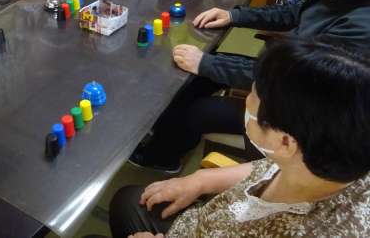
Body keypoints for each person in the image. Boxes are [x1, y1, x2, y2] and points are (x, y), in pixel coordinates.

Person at [134, 0, 370, 172]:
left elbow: (294, 80)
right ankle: (163, 138)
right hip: (282, 72)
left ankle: (162, 159)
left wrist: (206, 63)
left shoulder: (361, 27)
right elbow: (293, 12)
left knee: (199, 107)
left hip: (302, 113)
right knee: (195, 77)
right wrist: (234, 15)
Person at [105, 39, 370, 238]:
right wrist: (201, 180)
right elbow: (268, 168)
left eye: (253, 98)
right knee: (129, 200)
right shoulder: (333, 159)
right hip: (209, 219)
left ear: (285, 142)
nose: (246, 102)